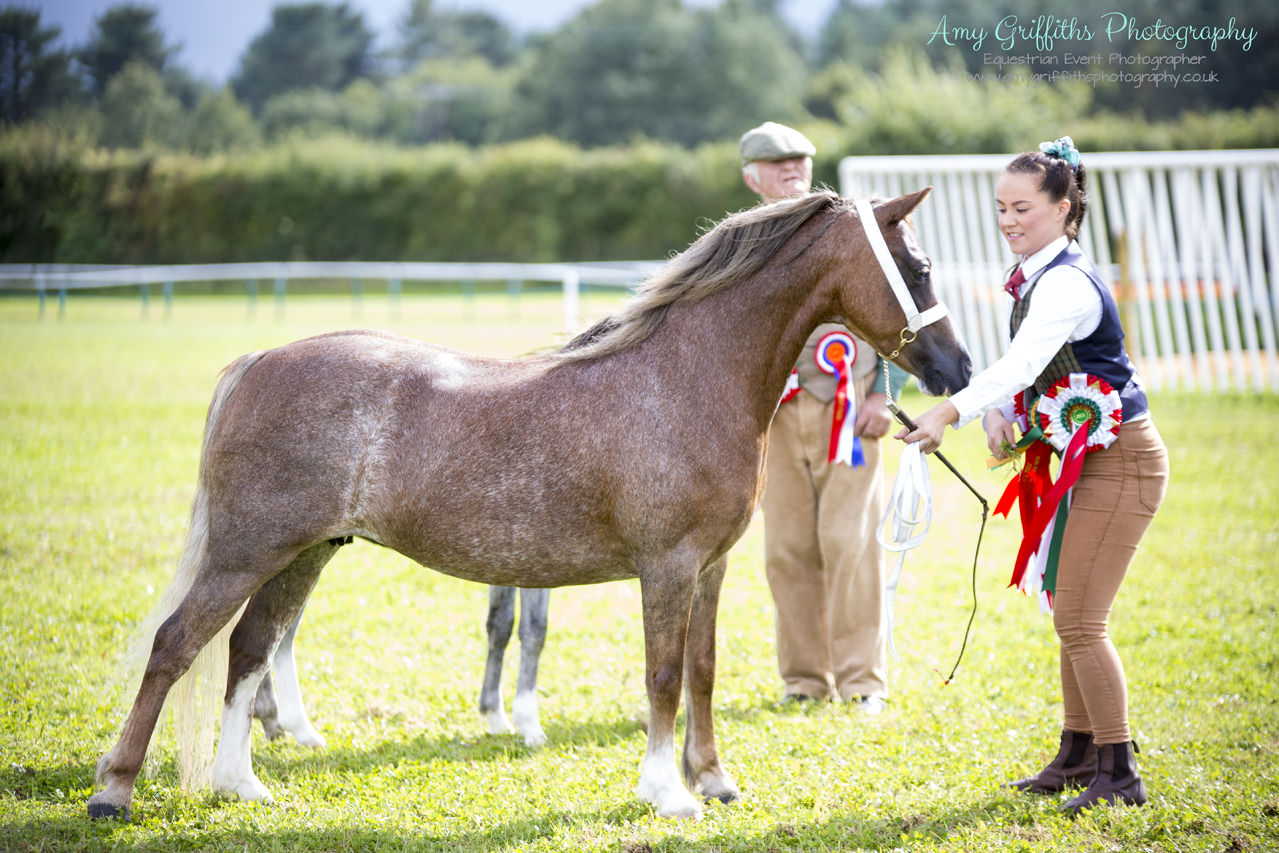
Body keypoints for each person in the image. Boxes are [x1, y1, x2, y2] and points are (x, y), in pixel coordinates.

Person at [895, 137, 1170, 814]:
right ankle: (1077, 754)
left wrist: (952, 410)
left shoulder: (1067, 282)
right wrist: (1000, 414)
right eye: (1000, 208)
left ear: (1062, 206)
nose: (1008, 220)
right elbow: (1032, 372)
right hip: (1083, 459)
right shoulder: (1038, 275)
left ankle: (1120, 771)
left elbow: (1019, 362)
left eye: (1021, 207)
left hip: (1121, 460)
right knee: (1067, 612)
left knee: (1079, 617)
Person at [740, 121, 907, 713]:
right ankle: (804, 681)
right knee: (786, 548)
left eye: (800, 159)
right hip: (775, 419)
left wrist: (885, 392)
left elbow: (901, 309)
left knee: (851, 542)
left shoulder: (850, 230)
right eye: (776, 161)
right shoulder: (741, 247)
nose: (791, 168)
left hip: (851, 411)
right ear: (751, 177)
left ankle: (863, 683)